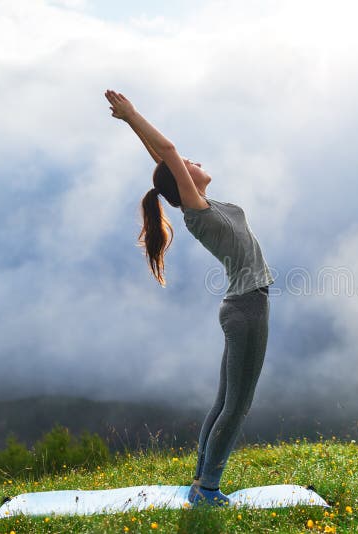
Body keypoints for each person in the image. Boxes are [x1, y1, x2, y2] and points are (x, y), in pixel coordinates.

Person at [104, 89, 275, 507]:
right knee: (237, 405)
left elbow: (163, 160)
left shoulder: (200, 204)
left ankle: (202, 480)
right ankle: (208, 489)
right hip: (247, 307)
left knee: (224, 402)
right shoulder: (196, 210)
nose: (192, 163)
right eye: (188, 165)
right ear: (185, 183)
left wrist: (134, 128)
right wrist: (133, 115)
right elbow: (168, 150)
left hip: (240, 306)